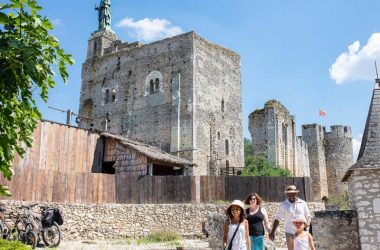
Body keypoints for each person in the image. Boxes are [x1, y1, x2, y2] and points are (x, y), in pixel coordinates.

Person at [269, 185, 311, 249]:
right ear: (287, 194)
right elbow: (277, 219)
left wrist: (306, 226)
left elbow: (308, 216)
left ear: (295, 193)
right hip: (289, 232)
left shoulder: (303, 203)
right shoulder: (283, 205)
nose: (291, 196)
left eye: (293, 194)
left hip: (302, 232)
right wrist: (272, 232)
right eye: (289, 194)